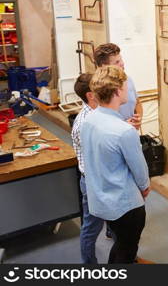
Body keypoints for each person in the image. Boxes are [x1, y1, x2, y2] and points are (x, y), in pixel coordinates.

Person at [81, 65, 150, 264]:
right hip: (125, 205)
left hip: (101, 201)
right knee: (126, 250)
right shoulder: (124, 131)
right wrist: (144, 187)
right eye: (127, 86)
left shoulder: (89, 121)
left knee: (121, 245)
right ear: (118, 91)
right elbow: (140, 172)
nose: (129, 90)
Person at [71, 74, 102, 264]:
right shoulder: (85, 124)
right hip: (93, 183)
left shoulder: (99, 113)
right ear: (91, 95)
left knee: (117, 224)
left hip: (102, 180)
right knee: (91, 228)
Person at [93, 43, 142, 130]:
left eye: (121, 59)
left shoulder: (128, 80)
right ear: (104, 66)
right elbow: (97, 122)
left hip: (129, 132)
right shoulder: (96, 88)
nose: (122, 64)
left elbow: (137, 103)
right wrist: (123, 126)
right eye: (117, 62)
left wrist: (138, 120)